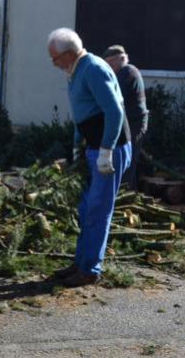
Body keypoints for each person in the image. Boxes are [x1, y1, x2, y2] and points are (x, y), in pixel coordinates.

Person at [47, 28, 131, 287]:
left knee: (97, 210)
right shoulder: (75, 72)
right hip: (92, 147)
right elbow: (81, 113)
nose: (54, 64)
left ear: (69, 54)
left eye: (55, 59)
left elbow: (114, 112)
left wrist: (106, 150)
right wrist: (76, 146)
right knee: (85, 208)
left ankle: (90, 270)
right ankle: (80, 262)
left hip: (110, 150)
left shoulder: (93, 68)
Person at [103, 45, 148, 188]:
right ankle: (128, 194)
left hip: (134, 123)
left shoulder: (127, 72)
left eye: (111, 63)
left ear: (122, 59)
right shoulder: (123, 72)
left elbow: (113, 98)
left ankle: (126, 196)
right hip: (128, 122)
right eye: (107, 64)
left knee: (127, 161)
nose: (109, 67)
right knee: (127, 161)